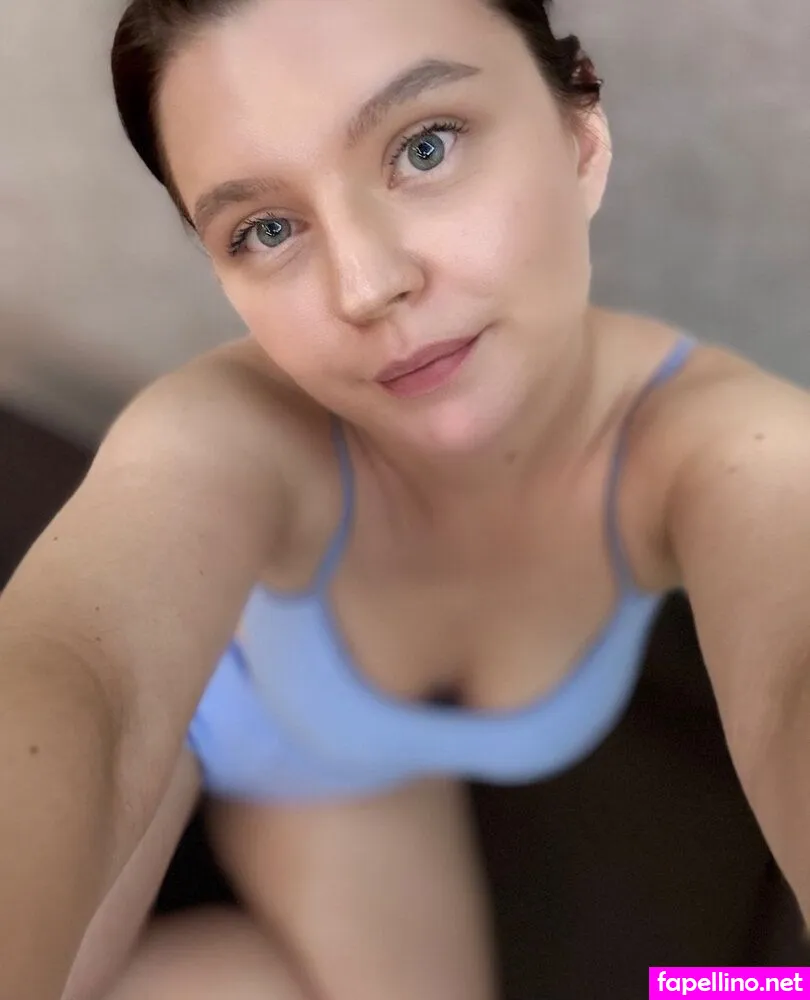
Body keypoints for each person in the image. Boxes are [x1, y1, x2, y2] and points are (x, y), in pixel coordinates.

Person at [2, 0, 810, 996]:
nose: (365, 284)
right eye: (266, 229)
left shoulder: (726, 448)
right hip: (179, 736)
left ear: (582, 133)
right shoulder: (229, 437)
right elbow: (88, 682)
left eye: (425, 148)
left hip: (350, 773)